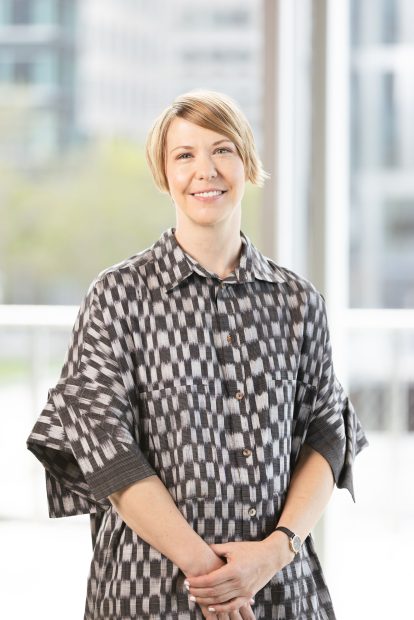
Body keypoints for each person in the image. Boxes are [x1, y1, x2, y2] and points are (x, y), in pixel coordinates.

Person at [26, 89, 368, 620]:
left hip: (279, 594)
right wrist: (215, 577)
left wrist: (272, 554)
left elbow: (329, 435)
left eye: (222, 149)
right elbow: (103, 447)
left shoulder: (299, 302)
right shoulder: (117, 298)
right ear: (165, 174)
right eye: (184, 155)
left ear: (247, 163)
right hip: (148, 594)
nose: (204, 170)